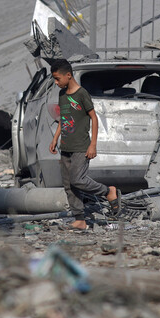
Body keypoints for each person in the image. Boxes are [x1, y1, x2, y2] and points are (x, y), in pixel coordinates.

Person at [48, 58, 119, 230]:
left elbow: (94, 118)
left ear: (69, 75)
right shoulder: (62, 95)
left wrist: (93, 144)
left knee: (78, 180)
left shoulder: (82, 94)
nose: (56, 83)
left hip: (81, 146)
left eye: (57, 79)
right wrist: (55, 138)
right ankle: (79, 219)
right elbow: (62, 120)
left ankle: (108, 192)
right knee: (68, 185)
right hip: (65, 147)